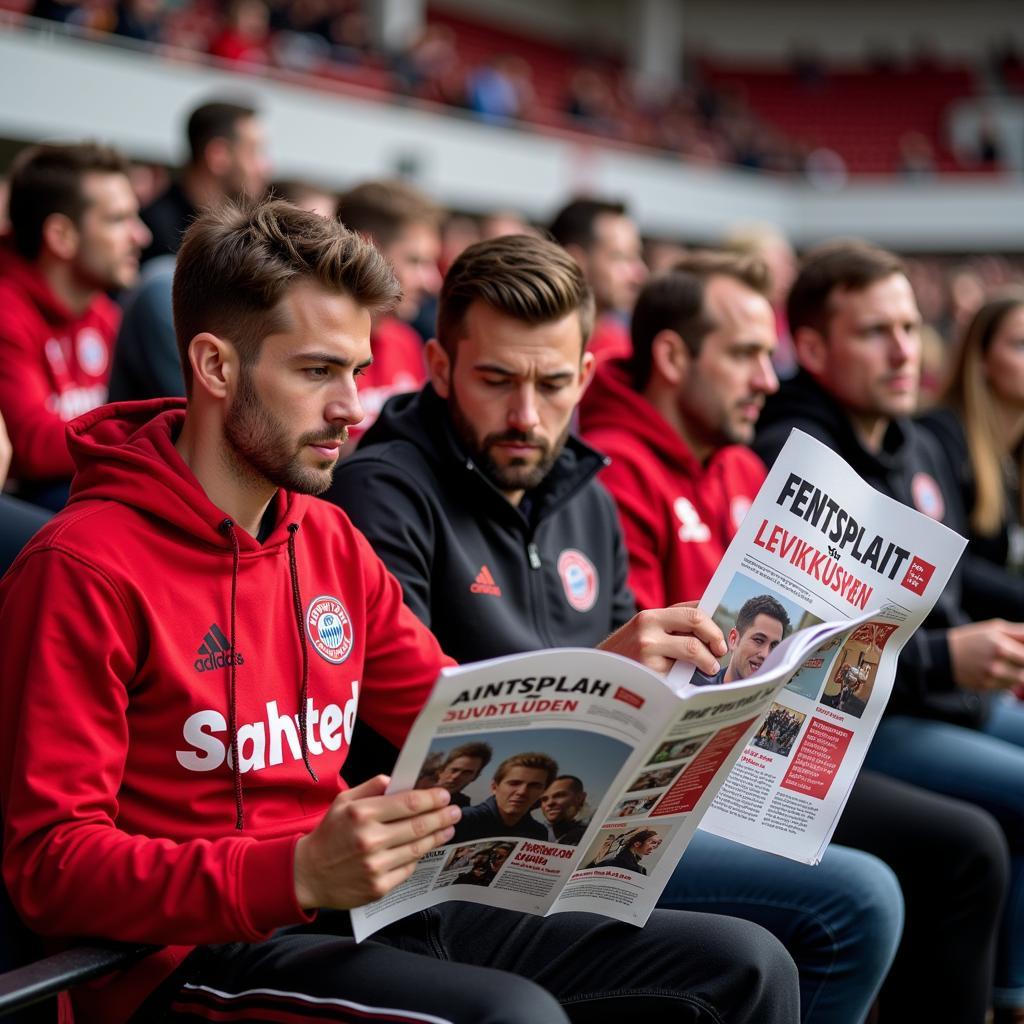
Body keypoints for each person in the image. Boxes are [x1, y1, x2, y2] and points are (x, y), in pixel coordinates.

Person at [0, 199, 799, 1024]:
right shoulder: (81, 568)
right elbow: (49, 868)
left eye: (356, 369)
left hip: (361, 905)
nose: (352, 406)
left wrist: (615, 682)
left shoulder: (330, 536)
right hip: (183, 960)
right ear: (215, 367)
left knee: (745, 967)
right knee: (513, 1015)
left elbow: (457, 718)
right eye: (317, 371)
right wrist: (297, 871)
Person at [329, 233, 905, 1024]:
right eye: (496, 380)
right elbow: (411, 727)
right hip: (451, 862)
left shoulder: (583, 493)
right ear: (438, 368)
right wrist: (602, 669)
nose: (526, 416)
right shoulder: (383, 492)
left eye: (554, 383)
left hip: (598, 830)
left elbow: (643, 711)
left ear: (587, 376)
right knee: (832, 912)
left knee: (838, 906)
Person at [755, 238, 1024, 1022]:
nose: (906, 349)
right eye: (877, 331)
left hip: (930, 701)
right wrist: (948, 657)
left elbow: (954, 579)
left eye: (909, 326)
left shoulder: (908, 441)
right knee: (977, 835)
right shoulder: (795, 455)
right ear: (810, 345)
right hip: (865, 723)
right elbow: (794, 661)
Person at [577, 252, 777, 611]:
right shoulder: (614, 470)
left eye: (769, 356)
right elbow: (636, 654)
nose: (768, 381)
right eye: (744, 354)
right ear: (672, 357)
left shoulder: (744, 467)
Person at [0, 141, 151, 509]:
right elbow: (32, 446)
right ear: (61, 236)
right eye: (118, 220)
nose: (140, 236)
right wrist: (150, 432)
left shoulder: (101, 311)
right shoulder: (6, 311)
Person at [919, 292, 1024, 607]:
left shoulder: (1014, 449)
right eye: (1020, 345)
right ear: (981, 361)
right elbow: (943, 563)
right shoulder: (940, 436)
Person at [335, 179, 440, 439]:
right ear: (368, 248)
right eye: (415, 261)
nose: (433, 282)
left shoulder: (406, 342)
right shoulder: (316, 347)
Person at [140, 99, 270, 262]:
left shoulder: (243, 232)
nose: (266, 167)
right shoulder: (157, 232)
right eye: (253, 152)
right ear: (218, 156)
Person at [549, 197, 647, 365]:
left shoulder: (623, 350)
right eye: (621, 257)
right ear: (575, 260)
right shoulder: (533, 344)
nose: (640, 273)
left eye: (637, 256)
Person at [452, 753, 556, 843]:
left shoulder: (538, 832)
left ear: (544, 792)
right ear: (494, 787)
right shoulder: (462, 820)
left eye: (534, 786)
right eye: (514, 783)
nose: (522, 792)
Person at [696, 595, 789, 686]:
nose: (765, 655)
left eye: (774, 647)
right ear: (734, 639)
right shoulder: (695, 687)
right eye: (759, 640)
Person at [427, 741, 493, 807]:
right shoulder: (419, 787)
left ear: (475, 777)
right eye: (454, 770)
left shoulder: (462, 806)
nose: (456, 776)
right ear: (441, 770)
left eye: (467, 773)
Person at [539, 775, 589, 845]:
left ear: (580, 798)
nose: (549, 803)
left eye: (559, 795)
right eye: (544, 799)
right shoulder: (535, 832)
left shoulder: (588, 834)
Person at [591, 829, 661, 874]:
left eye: (658, 843)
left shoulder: (639, 868)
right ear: (637, 844)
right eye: (653, 842)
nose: (655, 846)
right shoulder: (637, 869)